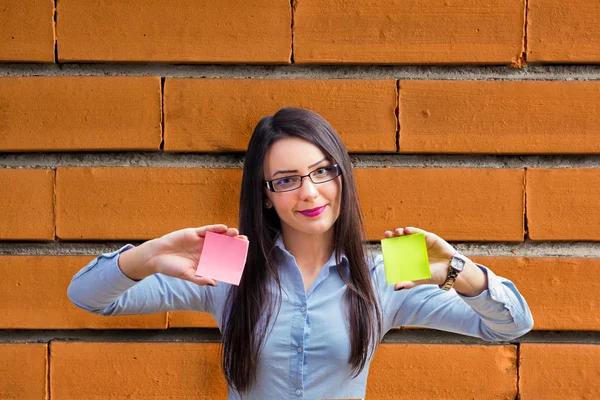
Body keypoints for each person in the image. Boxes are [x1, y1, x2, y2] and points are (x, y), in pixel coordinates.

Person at [68, 107, 533, 399]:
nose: (310, 193)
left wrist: (456, 271)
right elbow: (89, 297)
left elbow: (512, 325)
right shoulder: (233, 264)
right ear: (266, 195)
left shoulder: (387, 269)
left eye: (322, 172)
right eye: (287, 180)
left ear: (342, 176)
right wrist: (147, 256)